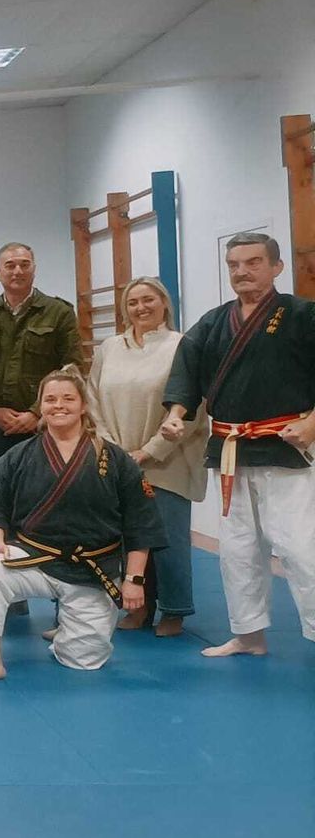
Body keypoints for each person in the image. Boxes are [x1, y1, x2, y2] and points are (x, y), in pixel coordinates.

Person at [0, 366, 165, 686]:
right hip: (35, 558)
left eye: (68, 398)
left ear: (83, 406)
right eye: (50, 399)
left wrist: (134, 580)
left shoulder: (115, 458)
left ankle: (68, 632)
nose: (59, 405)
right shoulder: (19, 456)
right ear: (40, 407)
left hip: (92, 567)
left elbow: (141, 522)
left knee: (84, 661)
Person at [162, 232, 315, 654]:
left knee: (301, 549)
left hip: (285, 448)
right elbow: (187, 370)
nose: (242, 272)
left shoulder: (304, 315)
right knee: (238, 550)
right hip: (230, 449)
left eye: (252, 262)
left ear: (276, 266)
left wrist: (313, 424)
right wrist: (176, 415)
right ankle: (249, 635)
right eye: (234, 264)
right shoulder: (214, 321)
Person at [87, 277, 205, 637]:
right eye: (133, 302)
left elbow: (192, 406)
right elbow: (92, 399)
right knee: (127, 539)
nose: (141, 308)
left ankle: (174, 610)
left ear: (164, 303)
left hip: (168, 458)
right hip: (118, 459)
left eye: (149, 300)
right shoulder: (109, 348)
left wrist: (149, 451)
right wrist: (114, 449)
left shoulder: (182, 346)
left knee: (167, 539)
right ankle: (138, 606)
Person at [0, 243, 83, 465]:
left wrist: (37, 412)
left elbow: (72, 367)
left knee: (47, 490)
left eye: (24, 265)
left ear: (34, 270)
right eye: (10, 265)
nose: (17, 271)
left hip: (47, 424)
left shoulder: (59, 313)